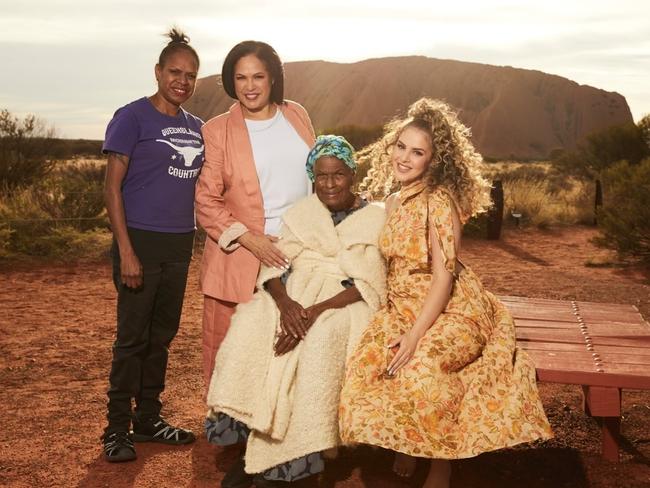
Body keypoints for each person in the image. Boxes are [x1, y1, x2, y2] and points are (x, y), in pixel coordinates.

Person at [338, 98, 553, 488]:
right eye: (401, 146)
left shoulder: (439, 202)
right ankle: (410, 440)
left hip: (452, 308)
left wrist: (416, 335)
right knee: (367, 362)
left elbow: (443, 278)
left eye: (417, 152)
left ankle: (441, 461)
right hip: (399, 305)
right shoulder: (390, 201)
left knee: (421, 365)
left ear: (433, 161)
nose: (405, 157)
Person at [205, 136, 387, 488]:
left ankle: (298, 457)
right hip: (295, 293)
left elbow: (369, 281)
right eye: (321, 176)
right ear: (312, 177)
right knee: (250, 323)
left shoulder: (374, 217)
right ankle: (254, 435)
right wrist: (286, 305)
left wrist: (313, 313)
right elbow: (274, 268)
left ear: (353, 174)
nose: (330, 183)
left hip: (343, 302)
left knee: (319, 343)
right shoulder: (302, 213)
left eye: (338, 175)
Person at [101, 28, 202, 462]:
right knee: (131, 340)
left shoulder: (197, 128)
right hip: (138, 242)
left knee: (160, 338)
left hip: (180, 245)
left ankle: (148, 421)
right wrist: (125, 249)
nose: (181, 80)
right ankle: (116, 430)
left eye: (190, 75)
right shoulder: (133, 117)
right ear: (158, 72)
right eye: (174, 72)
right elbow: (111, 188)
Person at [196, 41, 315, 387]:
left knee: (291, 348)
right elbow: (206, 200)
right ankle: (230, 431)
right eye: (241, 77)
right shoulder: (217, 131)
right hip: (245, 256)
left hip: (301, 252)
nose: (250, 86)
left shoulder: (297, 114)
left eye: (258, 76)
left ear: (273, 78)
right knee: (235, 352)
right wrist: (251, 241)